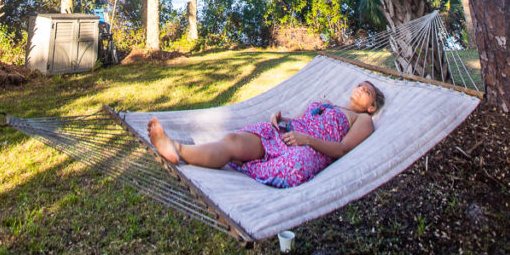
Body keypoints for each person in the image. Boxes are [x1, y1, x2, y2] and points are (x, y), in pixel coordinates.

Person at [147, 80, 385, 188]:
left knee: (293, 164)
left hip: (309, 150)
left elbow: (342, 149)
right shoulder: (329, 103)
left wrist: (307, 140)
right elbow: (302, 122)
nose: (362, 89)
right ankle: (177, 149)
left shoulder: (362, 120)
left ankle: (251, 162)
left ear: (371, 107)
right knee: (232, 141)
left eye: (368, 92)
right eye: (360, 85)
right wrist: (282, 119)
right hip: (285, 135)